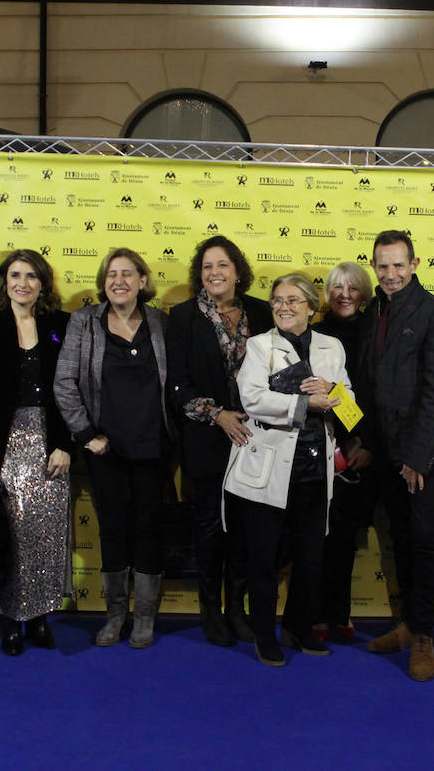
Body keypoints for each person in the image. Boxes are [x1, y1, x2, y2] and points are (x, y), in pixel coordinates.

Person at [224, 274, 351, 665]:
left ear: (312, 307)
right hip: (269, 470)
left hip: (316, 470)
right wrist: (304, 404)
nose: (284, 307)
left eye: (294, 301)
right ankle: (265, 635)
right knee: (263, 559)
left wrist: (334, 393)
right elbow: (253, 398)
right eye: (278, 300)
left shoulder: (333, 346)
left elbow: (351, 409)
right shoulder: (261, 346)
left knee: (311, 558)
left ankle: (299, 626)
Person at [54, 249, 174, 648]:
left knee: (149, 532)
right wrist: (87, 435)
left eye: (127, 274)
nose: (118, 280)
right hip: (105, 450)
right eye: (111, 274)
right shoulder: (83, 322)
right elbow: (64, 383)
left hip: (154, 449)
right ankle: (114, 615)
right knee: (113, 532)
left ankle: (144, 619)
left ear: (143, 280)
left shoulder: (161, 323)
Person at [359, 230, 434, 683]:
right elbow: (367, 386)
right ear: (374, 266)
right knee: (398, 539)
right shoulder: (372, 311)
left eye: (399, 265)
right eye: (383, 266)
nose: (391, 274)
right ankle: (405, 624)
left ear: (415, 264)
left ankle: (423, 636)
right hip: (383, 453)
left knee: (424, 542)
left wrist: (417, 457)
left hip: (425, 457)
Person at [167, 235, 273, 646]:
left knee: (246, 529)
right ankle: (210, 610)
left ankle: (237, 610)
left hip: (256, 439)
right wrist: (218, 414)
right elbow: (176, 384)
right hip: (208, 439)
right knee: (210, 527)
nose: (215, 273)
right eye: (208, 266)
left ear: (237, 272)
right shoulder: (182, 317)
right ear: (200, 273)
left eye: (223, 265)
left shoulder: (262, 312)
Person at [0, 250, 73, 656]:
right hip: (4, 443)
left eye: (31, 276)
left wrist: (65, 444)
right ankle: (12, 617)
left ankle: (41, 617)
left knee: (46, 534)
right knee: (10, 534)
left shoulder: (60, 325)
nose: (23, 283)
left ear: (43, 283)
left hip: (49, 441)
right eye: (15, 275)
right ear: (5, 281)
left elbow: (69, 390)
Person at [313, 261, 377, 643]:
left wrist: (365, 442)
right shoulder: (315, 333)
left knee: (346, 537)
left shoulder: (376, 333)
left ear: (364, 293)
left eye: (352, 288)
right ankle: (319, 613)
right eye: (337, 287)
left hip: (366, 449)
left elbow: (378, 395)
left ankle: (342, 612)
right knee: (320, 535)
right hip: (324, 444)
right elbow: (322, 391)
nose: (344, 294)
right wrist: (340, 437)